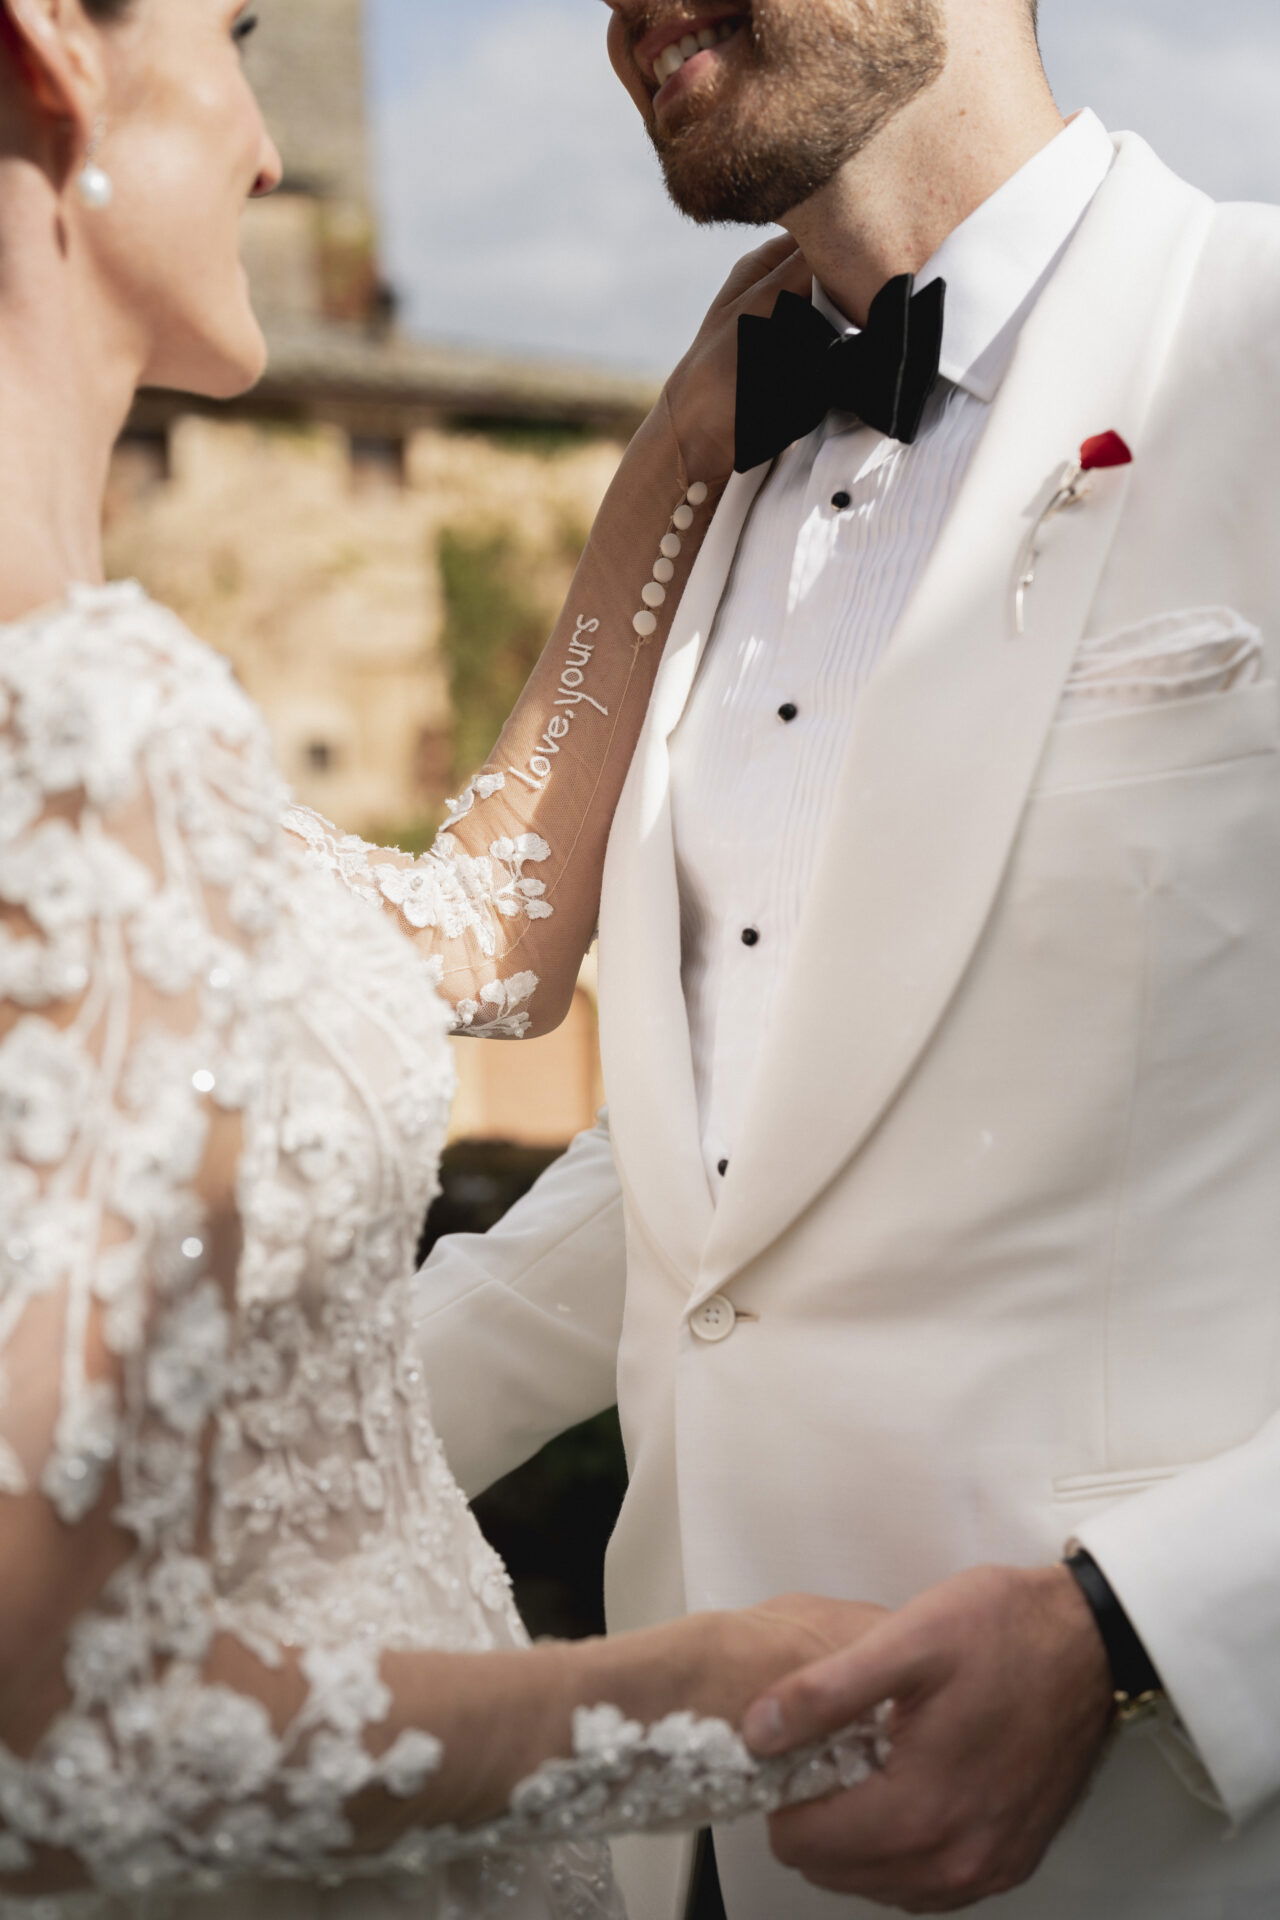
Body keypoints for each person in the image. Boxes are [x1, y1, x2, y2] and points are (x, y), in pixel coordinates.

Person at [0, 0, 893, 1913]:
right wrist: (688, 1702)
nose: (263, 140)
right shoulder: (76, 726)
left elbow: (481, 938)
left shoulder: (83, 702)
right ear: (54, 54)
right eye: (234, 35)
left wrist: (668, 462)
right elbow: (51, 1728)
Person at [414, 1, 1280, 1917]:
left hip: (1167, 1846)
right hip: (697, 1843)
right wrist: (245, 1442)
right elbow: (732, 1159)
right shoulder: (715, 465)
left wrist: (1142, 1633)